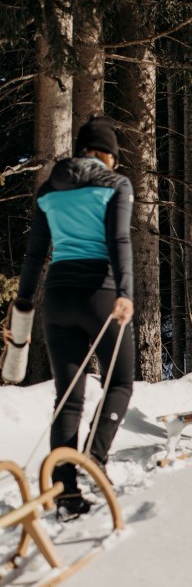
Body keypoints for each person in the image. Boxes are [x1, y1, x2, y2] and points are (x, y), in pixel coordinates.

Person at [8, 115, 135, 518]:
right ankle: (95, 459)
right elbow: (119, 239)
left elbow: (34, 253)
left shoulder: (49, 190)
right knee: (120, 381)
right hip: (101, 292)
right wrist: (125, 293)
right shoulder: (116, 184)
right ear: (108, 154)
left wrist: (23, 303)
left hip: (58, 297)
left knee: (68, 398)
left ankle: (65, 492)